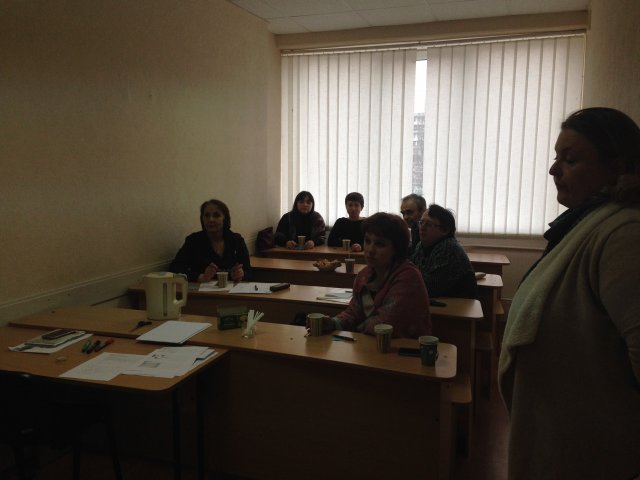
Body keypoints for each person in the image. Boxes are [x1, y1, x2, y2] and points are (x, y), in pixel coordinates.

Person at [499, 107, 640, 480]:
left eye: (570, 160)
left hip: (592, 454)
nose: (553, 170)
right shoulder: (585, 222)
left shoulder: (624, 234)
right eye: (556, 157)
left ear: (617, 168)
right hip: (561, 442)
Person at [312, 212, 432, 338]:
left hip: (405, 347)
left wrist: (355, 328)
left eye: (380, 244)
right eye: (367, 241)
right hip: (371, 344)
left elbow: (384, 323)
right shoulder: (364, 275)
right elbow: (354, 312)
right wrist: (333, 323)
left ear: (396, 249)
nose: (370, 250)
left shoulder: (408, 276)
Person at [169, 199, 251, 282]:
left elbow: (249, 272)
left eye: (216, 215)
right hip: (203, 289)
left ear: (225, 219)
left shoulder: (237, 240)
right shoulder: (193, 241)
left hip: (232, 288)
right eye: (207, 215)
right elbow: (174, 269)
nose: (210, 219)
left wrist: (241, 275)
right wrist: (200, 277)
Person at [410, 204, 477, 299]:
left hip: (458, 303)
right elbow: (412, 272)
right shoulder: (421, 245)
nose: (422, 227)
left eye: (428, 224)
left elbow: (430, 287)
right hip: (437, 299)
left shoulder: (449, 247)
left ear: (444, 230)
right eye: (421, 222)